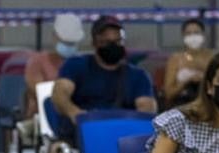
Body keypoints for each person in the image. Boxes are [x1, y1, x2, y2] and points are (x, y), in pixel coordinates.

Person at [51, 15, 156, 145]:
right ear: (94, 43)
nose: (112, 44)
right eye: (105, 41)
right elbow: (60, 94)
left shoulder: (138, 76)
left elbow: (146, 109)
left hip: (124, 139)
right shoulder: (75, 66)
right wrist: (74, 112)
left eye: (117, 41)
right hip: (80, 134)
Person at [24, 14, 84, 118]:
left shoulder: (80, 63)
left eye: (72, 44)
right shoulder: (37, 62)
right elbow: (39, 92)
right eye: (65, 43)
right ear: (54, 37)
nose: (68, 47)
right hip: (42, 117)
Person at [164, 19, 213, 106]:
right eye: (189, 33)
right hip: (181, 105)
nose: (193, 36)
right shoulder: (175, 59)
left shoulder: (212, 58)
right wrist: (187, 81)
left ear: (203, 35)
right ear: (183, 36)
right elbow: (169, 94)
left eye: (196, 32)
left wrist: (203, 76)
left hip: (207, 106)